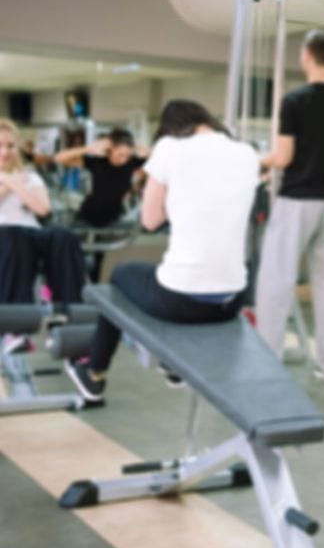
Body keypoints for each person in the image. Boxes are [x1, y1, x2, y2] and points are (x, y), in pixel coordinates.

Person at [64, 100, 259, 402]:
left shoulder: (170, 146)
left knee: (121, 273)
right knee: (171, 277)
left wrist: (178, 193)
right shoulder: (247, 153)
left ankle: (94, 373)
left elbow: (150, 219)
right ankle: (173, 364)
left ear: (171, 128)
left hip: (180, 301)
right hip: (232, 300)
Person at [255, 29, 324, 385]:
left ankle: (267, 362)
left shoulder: (294, 101)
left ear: (306, 56)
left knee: (276, 281)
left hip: (298, 201)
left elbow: (282, 158)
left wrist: (256, 160)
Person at [0, 118, 86, 353]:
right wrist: (9, 183)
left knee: (63, 235)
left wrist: (15, 183)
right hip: (5, 238)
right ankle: (15, 329)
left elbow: (43, 209)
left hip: (31, 234)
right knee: (12, 236)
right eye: (0, 145)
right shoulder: (19, 178)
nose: (5, 151)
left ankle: (68, 312)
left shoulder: (30, 176)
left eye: (10, 145)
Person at [54, 127, 150, 281]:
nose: (123, 159)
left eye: (127, 155)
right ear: (110, 149)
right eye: (119, 154)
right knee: (78, 255)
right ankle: (73, 287)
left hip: (110, 218)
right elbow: (59, 158)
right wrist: (88, 148)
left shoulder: (131, 163)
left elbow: (160, 158)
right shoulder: (98, 162)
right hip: (87, 215)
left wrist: (140, 147)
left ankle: (92, 290)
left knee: (97, 259)